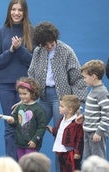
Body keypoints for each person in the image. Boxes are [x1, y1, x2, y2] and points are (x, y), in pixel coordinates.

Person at [28, 21, 87, 172]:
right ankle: (30, 167)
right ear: (40, 43)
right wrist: (28, 100)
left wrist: (77, 104)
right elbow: (31, 74)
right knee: (32, 130)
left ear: (55, 37)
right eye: (45, 43)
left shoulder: (66, 51)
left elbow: (77, 78)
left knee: (61, 138)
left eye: (51, 42)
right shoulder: (38, 52)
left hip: (61, 98)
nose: (49, 46)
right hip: (42, 97)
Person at [0, 0, 33, 160]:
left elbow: (34, 62)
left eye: (20, 10)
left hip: (26, 87)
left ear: (25, 12)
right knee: (10, 124)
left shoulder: (31, 31)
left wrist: (20, 48)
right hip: (6, 85)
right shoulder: (1, 32)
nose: (16, 13)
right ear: (9, 11)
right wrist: (11, 51)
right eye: (13, 9)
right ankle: (11, 165)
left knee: (25, 126)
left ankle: (25, 164)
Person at [77, 60, 109, 159]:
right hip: (88, 131)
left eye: (85, 77)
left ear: (93, 76)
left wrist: (99, 132)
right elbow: (94, 110)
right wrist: (83, 116)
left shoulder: (102, 92)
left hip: (96, 133)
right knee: (87, 159)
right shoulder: (93, 91)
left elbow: (107, 114)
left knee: (98, 160)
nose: (84, 80)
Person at [6, 77, 46, 159]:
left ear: (33, 93)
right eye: (20, 94)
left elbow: (41, 128)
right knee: (22, 164)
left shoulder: (38, 109)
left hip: (32, 144)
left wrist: (35, 140)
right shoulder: (19, 107)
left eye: (25, 94)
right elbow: (15, 123)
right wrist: (11, 121)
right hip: (19, 143)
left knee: (30, 165)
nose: (22, 96)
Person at [47, 95, 84, 172]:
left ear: (70, 110)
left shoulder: (76, 123)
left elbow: (79, 139)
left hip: (71, 153)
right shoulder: (62, 119)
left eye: (61, 106)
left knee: (73, 169)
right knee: (63, 168)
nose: (59, 107)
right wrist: (52, 130)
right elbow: (60, 132)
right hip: (61, 151)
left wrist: (77, 152)